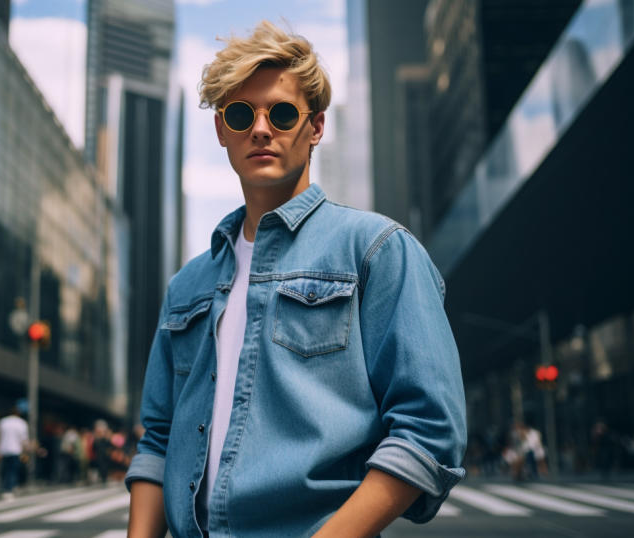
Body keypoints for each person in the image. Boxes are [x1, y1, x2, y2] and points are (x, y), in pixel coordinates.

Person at [126, 21, 466, 537]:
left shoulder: (377, 250)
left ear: (316, 127)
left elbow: (429, 431)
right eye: (241, 115)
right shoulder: (187, 286)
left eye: (282, 113)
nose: (261, 129)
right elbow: (158, 441)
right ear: (221, 131)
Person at [0, 407, 28, 500]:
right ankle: (9, 489)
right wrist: (25, 452)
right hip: (15, 450)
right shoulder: (21, 423)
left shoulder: (3, 422)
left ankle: (6, 487)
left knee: (5, 470)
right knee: (13, 470)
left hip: (4, 450)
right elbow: (23, 440)